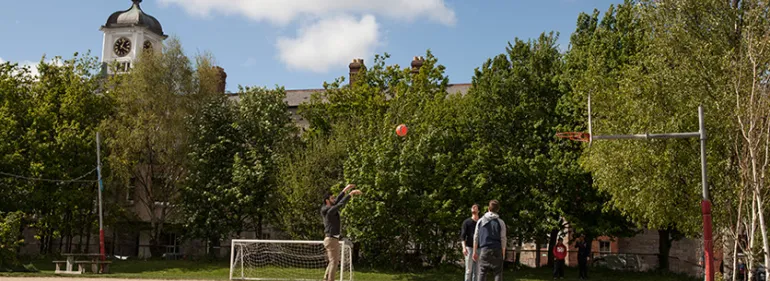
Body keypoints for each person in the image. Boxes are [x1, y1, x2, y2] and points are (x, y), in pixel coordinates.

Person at [321, 183, 362, 281]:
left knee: (333, 261)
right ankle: (330, 279)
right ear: (327, 201)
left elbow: (338, 201)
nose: (334, 199)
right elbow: (340, 204)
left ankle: (326, 278)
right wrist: (350, 194)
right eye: (332, 198)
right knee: (334, 262)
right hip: (331, 239)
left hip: (332, 239)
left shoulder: (328, 208)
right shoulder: (329, 211)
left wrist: (346, 189)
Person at [473, 200, 507, 281]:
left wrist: (474, 251)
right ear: (498, 210)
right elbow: (503, 238)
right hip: (497, 249)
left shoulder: (480, 221)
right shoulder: (501, 222)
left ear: (488, 208)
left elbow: (476, 237)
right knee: (498, 272)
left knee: (482, 272)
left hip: (484, 249)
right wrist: (503, 252)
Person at [460, 204, 480, 281]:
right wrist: (464, 248)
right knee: (468, 270)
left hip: (479, 248)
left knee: (477, 271)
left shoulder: (481, 222)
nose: (473, 208)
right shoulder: (466, 222)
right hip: (469, 248)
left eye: (475, 207)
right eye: (472, 207)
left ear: (478, 210)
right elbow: (463, 236)